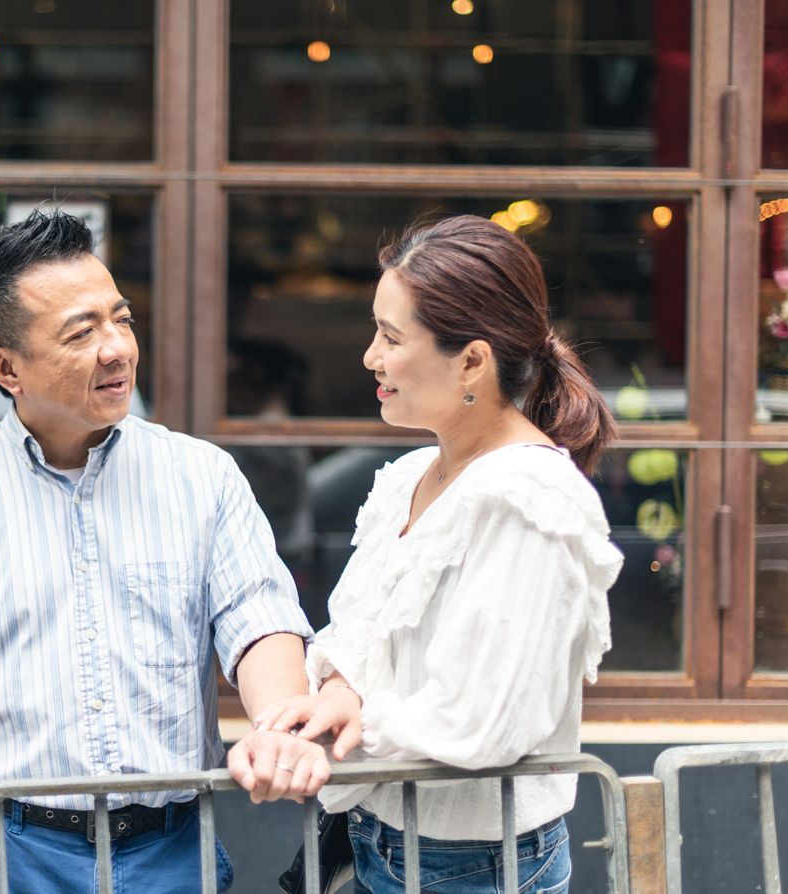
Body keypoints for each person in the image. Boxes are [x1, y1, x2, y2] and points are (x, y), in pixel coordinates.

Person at [0, 210, 327, 894]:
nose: (116, 349)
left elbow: (257, 617)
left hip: (171, 849)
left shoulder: (201, 476)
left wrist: (280, 722)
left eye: (121, 320)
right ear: (6, 367)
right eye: (81, 332)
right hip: (7, 848)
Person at [236, 214, 624, 893]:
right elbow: (359, 632)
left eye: (391, 338)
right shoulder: (410, 476)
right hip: (379, 840)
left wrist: (350, 727)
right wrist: (339, 690)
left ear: (472, 360)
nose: (371, 357)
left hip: (476, 867)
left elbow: (485, 720)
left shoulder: (531, 500)